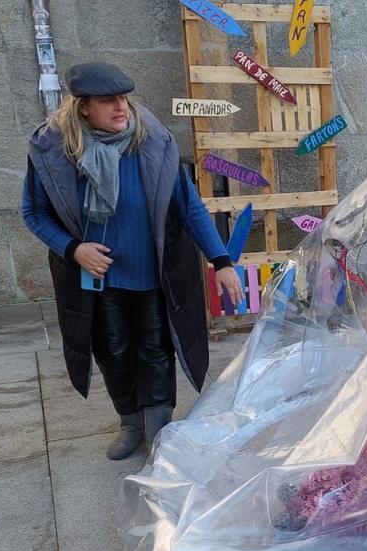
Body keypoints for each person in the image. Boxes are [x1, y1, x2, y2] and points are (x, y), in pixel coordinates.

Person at [21, 62, 243, 460]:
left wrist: (221, 260)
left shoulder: (153, 140)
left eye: (124, 98)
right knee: (112, 350)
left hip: (152, 270)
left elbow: (188, 206)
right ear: (83, 106)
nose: (121, 108)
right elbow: (34, 214)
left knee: (156, 348)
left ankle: (158, 428)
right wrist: (74, 249)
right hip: (96, 275)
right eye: (108, 101)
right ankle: (130, 422)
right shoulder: (52, 149)